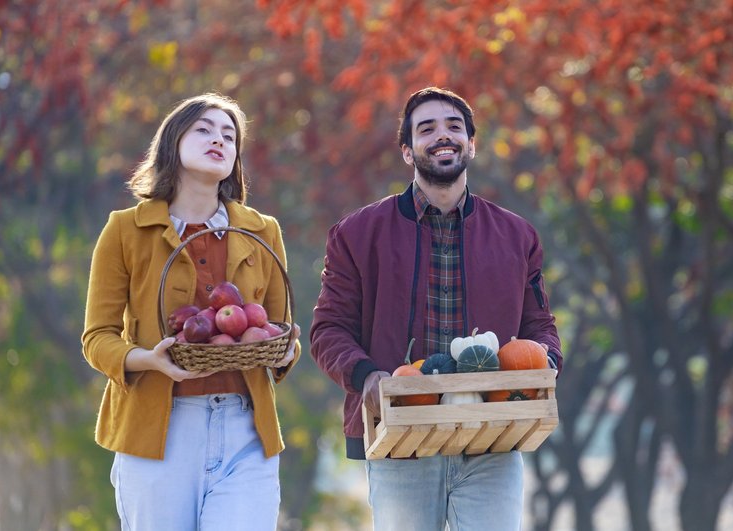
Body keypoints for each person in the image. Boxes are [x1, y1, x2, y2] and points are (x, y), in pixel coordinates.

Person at [310, 87, 562, 530]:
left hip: (493, 437)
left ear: (472, 143)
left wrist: (546, 365)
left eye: (454, 127)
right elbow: (328, 329)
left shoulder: (517, 236)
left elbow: (540, 326)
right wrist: (366, 375)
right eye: (426, 129)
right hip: (401, 436)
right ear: (408, 151)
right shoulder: (356, 234)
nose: (442, 136)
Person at [81, 92, 301, 530]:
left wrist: (284, 353)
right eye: (203, 129)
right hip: (157, 432)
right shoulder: (125, 230)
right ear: (172, 143)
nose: (218, 139)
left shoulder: (264, 232)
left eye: (229, 135)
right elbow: (97, 337)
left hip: (246, 431)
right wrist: (148, 359)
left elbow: (281, 331)